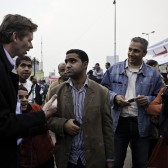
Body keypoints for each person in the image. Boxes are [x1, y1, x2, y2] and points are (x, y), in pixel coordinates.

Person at [0, 14, 57, 168]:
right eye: (29, 40)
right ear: (15, 37)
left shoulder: (6, 68)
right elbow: (4, 124)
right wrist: (43, 114)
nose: (31, 46)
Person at [101, 37, 164, 168]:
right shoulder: (114, 69)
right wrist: (115, 97)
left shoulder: (153, 74)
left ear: (144, 53)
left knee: (141, 163)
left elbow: (161, 96)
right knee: (115, 163)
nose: (131, 53)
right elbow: (103, 91)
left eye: (136, 51)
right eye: (130, 49)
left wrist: (148, 99)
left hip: (142, 125)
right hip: (118, 124)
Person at [47, 49, 114, 168]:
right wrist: (63, 124)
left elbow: (107, 127)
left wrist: (109, 158)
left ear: (85, 64)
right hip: (67, 158)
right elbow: (47, 120)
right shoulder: (55, 92)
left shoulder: (101, 92)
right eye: (66, 61)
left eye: (73, 61)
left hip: (94, 158)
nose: (68, 65)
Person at [17, 85, 55, 168]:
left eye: (26, 96)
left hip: (47, 158)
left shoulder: (36, 108)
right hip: (27, 163)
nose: (24, 100)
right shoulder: (12, 117)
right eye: (20, 97)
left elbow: (48, 124)